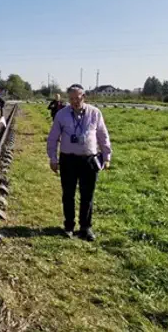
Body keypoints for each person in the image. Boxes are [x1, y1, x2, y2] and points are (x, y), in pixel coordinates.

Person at [46, 84, 112, 241]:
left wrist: (107, 156)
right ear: (68, 99)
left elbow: (103, 135)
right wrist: (53, 159)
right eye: (72, 99)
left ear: (84, 97)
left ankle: (85, 227)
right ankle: (69, 226)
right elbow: (53, 138)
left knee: (87, 195)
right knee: (68, 194)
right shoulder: (61, 114)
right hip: (68, 159)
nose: (75, 101)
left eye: (78, 98)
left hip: (89, 160)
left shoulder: (95, 113)